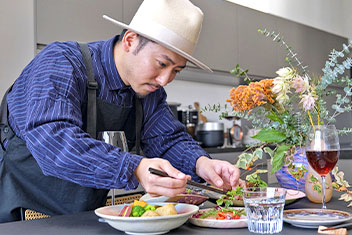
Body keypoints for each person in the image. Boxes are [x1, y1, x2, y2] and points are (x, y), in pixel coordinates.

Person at [0, 0, 241, 222]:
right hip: (27, 215)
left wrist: (201, 164)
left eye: (176, 70)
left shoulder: (149, 92)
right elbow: (55, 142)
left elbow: (167, 140)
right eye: (162, 64)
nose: (165, 79)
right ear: (130, 40)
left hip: (86, 216)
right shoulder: (61, 63)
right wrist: (134, 168)